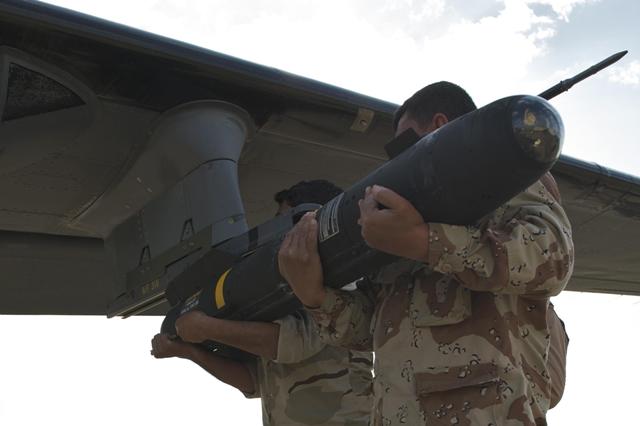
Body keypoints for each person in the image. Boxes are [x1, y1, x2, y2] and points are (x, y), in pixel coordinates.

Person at [278, 82, 574, 425]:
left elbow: (551, 258)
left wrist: (423, 241)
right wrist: (314, 296)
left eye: (404, 144)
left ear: (439, 125)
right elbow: (368, 331)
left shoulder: (500, 172)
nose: (400, 162)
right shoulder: (402, 220)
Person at [151, 180, 373, 426]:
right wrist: (189, 351)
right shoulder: (279, 295)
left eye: (285, 219)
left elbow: (294, 343)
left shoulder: (341, 282)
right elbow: (254, 381)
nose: (277, 231)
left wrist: (206, 327)